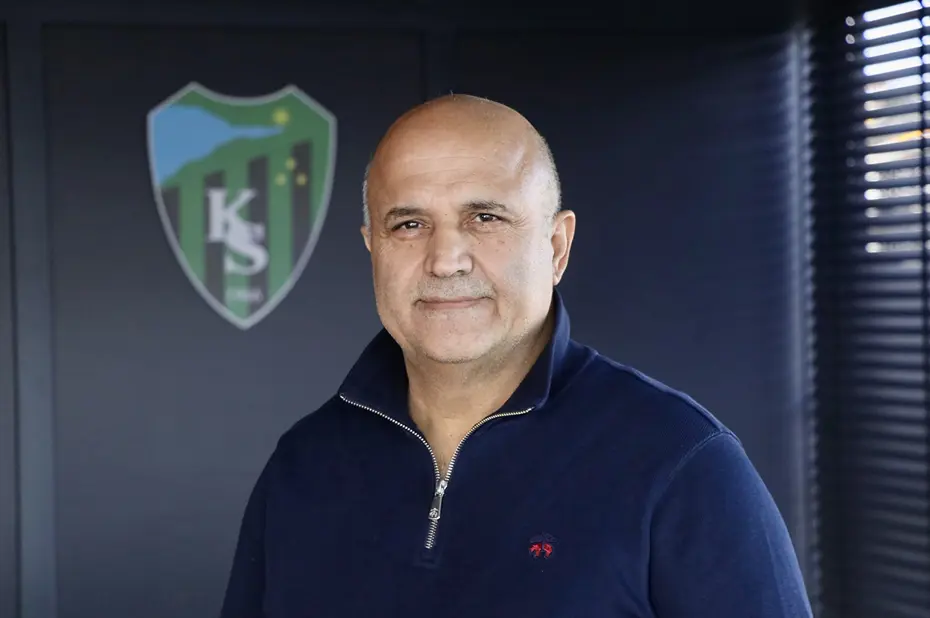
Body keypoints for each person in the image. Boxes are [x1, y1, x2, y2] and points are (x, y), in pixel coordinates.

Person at [219, 94, 812, 618]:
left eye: (485, 218)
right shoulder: (304, 466)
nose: (445, 259)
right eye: (409, 224)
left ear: (557, 247)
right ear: (372, 246)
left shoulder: (680, 462)